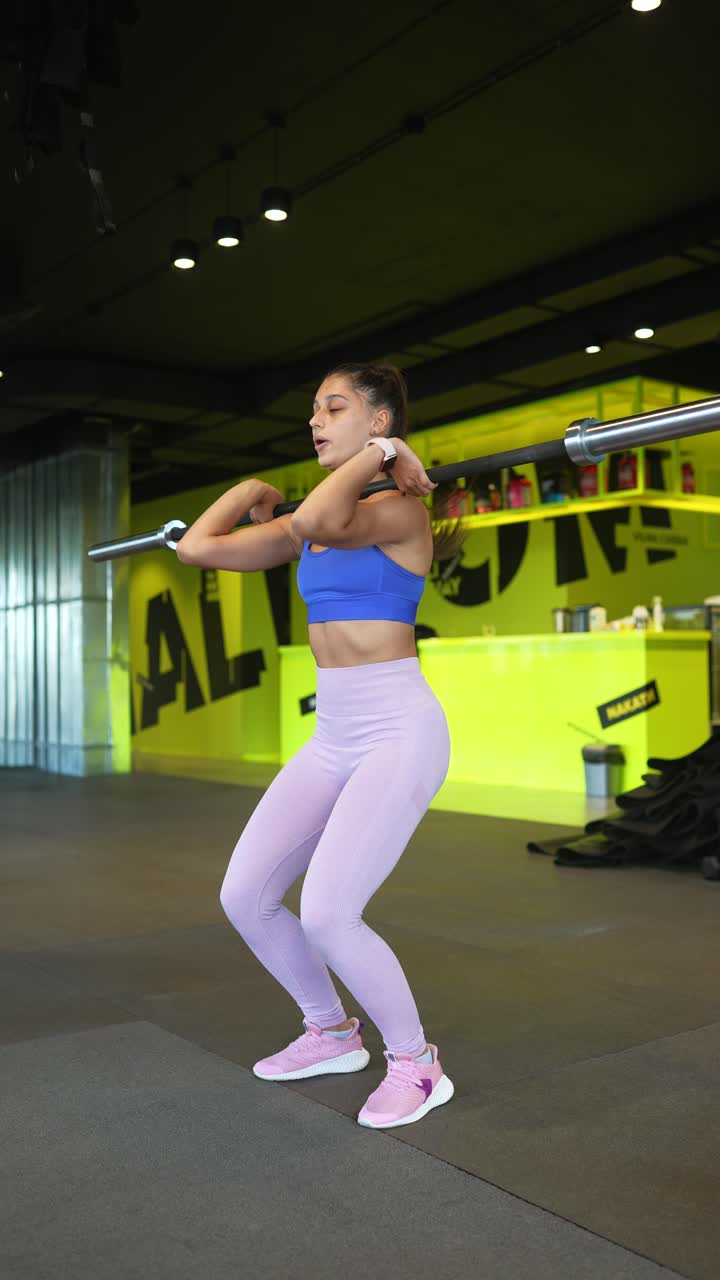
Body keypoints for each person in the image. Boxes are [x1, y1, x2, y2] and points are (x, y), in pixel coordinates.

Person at [176, 362, 461, 1130]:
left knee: (331, 914)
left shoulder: (401, 511)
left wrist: (386, 459)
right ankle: (331, 1032)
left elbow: (317, 523)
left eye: (334, 408)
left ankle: (417, 1065)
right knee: (246, 895)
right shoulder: (313, 518)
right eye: (311, 410)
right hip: (334, 734)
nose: (315, 420)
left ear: (379, 421)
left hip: (398, 730)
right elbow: (197, 550)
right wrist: (246, 493)